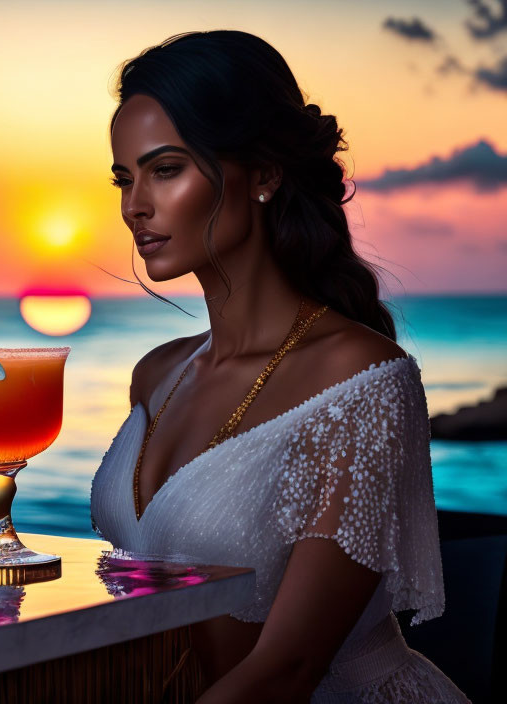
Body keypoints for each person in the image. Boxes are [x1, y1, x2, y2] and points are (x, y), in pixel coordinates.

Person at [89, 30, 470, 703]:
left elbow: (291, 668)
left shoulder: (364, 381)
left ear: (263, 174)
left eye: (166, 168)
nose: (134, 204)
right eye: (126, 177)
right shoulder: (157, 375)